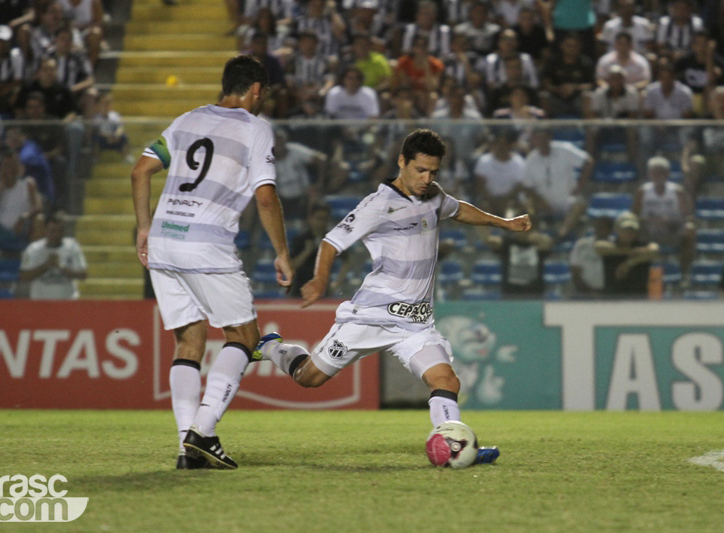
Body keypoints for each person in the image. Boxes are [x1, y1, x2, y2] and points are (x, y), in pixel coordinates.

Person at [254, 129, 531, 464]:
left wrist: (504, 223)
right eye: (420, 171)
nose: (427, 178)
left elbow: (458, 210)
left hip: (415, 322)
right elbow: (331, 242)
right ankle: (272, 347)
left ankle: (453, 446)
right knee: (309, 378)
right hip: (371, 315)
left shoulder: (434, 195)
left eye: (433, 172)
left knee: (446, 379)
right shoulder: (378, 204)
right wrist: (319, 279)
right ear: (402, 162)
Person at [130, 55, 293, 470]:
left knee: (189, 341)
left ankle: (188, 447)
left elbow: (140, 171)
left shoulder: (185, 120)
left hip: (164, 242)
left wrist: (144, 228)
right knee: (245, 335)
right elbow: (265, 196)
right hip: (206, 245)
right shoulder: (255, 128)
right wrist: (282, 252)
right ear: (256, 89)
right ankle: (203, 430)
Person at [632, 156, 695, 277]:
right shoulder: (643, 191)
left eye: (661, 172)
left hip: (671, 232)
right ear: (649, 174)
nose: (657, 175)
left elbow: (688, 217)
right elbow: (633, 216)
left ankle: (684, 273)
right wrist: (651, 221)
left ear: (667, 174)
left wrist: (671, 222)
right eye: (654, 172)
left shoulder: (677, 191)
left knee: (690, 230)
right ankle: (638, 272)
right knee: (631, 230)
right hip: (648, 233)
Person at [19, 211, 87, 299]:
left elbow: (83, 275)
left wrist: (62, 267)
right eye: (52, 231)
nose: (56, 234)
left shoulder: (72, 247)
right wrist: (45, 266)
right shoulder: (33, 249)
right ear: (45, 230)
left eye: (60, 231)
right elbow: (23, 276)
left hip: (67, 303)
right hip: (41, 304)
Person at [595, 211, 659, 298]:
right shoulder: (611, 245)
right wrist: (629, 251)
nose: (629, 233)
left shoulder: (643, 245)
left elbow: (654, 251)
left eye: (632, 229)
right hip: (612, 298)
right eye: (625, 229)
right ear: (617, 229)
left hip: (639, 297)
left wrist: (628, 263)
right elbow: (598, 247)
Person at [288, 200, 331, 297]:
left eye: (325, 219)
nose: (321, 223)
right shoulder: (300, 239)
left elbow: (346, 259)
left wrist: (336, 283)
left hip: (323, 292)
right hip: (300, 291)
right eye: (318, 218)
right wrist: (307, 252)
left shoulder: (331, 239)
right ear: (310, 218)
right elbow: (290, 267)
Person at [569, 216, 612, 298]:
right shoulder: (582, 245)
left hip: (610, 294)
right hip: (584, 294)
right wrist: (591, 293)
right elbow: (575, 274)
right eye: (598, 227)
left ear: (610, 230)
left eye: (603, 228)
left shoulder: (615, 245)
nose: (599, 230)